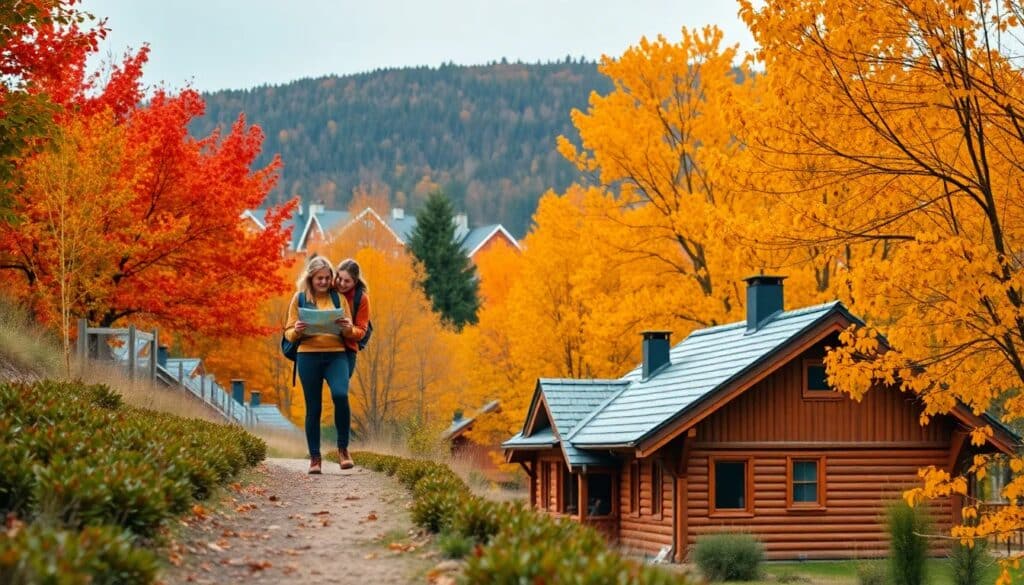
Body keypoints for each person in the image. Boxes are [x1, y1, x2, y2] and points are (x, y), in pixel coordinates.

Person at [283, 255, 353, 474]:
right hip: (308, 355)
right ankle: (315, 458)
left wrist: (345, 327)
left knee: (340, 394)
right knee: (313, 407)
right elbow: (288, 333)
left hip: (336, 355)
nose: (323, 282)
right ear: (311, 279)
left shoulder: (338, 299)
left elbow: (350, 331)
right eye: (319, 278)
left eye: (327, 277)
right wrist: (298, 331)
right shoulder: (299, 298)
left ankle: (343, 449)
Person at [334, 258, 371, 382]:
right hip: (324, 342)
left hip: (347, 348)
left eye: (347, 281)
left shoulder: (361, 299)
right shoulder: (328, 289)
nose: (342, 284)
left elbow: (361, 331)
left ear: (355, 282)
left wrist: (349, 329)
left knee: (340, 387)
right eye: (339, 278)